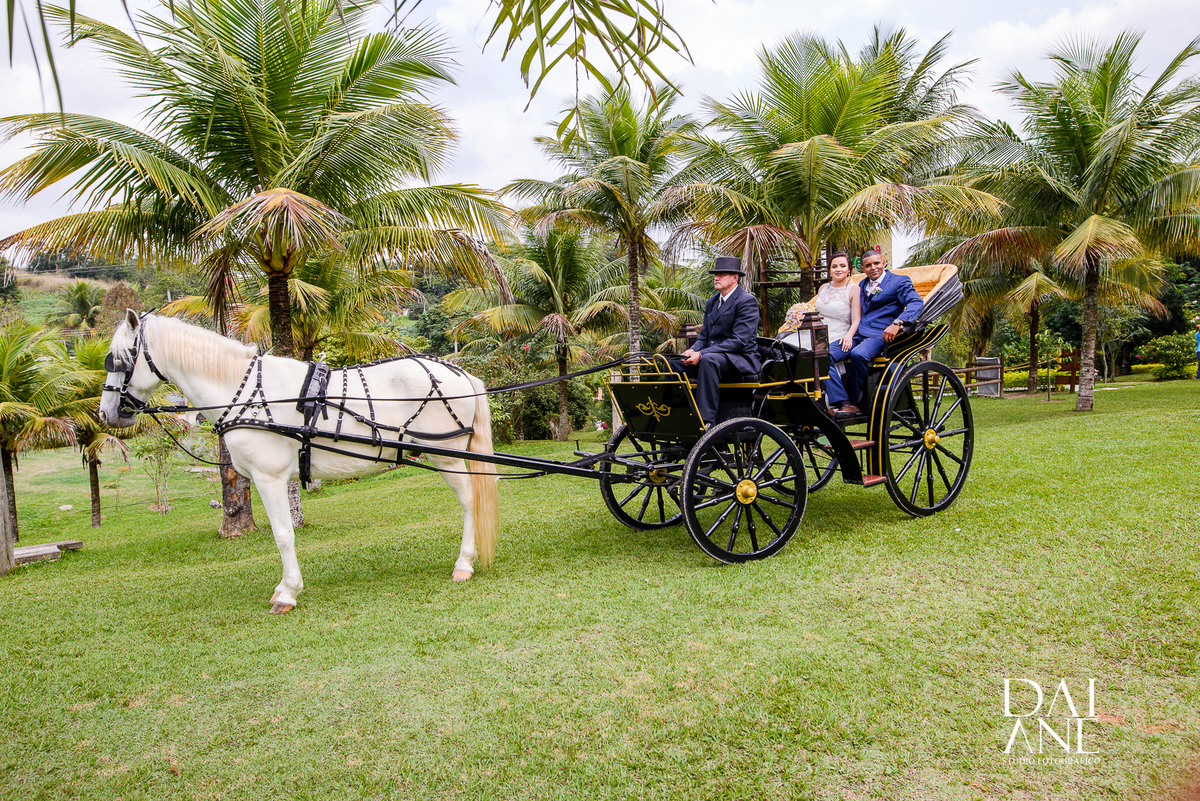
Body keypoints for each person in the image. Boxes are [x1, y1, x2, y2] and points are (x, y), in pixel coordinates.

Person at [825, 248, 923, 416]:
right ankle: (843, 400)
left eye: (877, 263)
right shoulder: (862, 285)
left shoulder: (899, 281)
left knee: (858, 355)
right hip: (858, 334)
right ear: (862, 268)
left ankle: (853, 403)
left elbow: (916, 302)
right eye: (868, 265)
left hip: (880, 334)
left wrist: (898, 322)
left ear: (883, 263)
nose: (873, 268)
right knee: (823, 355)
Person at [672, 256, 761, 426]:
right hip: (714, 357)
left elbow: (739, 341)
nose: (716, 278)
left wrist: (701, 353)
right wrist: (693, 350)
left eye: (721, 274)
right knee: (673, 363)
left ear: (735, 278)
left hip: (739, 359)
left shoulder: (746, 301)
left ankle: (706, 421)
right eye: (715, 274)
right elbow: (704, 336)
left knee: (708, 360)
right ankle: (678, 414)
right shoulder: (712, 302)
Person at [780, 251, 861, 409]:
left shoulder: (853, 290)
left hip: (841, 331)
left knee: (821, 355)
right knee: (786, 346)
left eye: (842, 266)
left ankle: (842, 401)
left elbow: (856, 319)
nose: (838, 269)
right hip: (818, 330)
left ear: (849, 269)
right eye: (834, 266)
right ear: (829, 269)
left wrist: (849, 336)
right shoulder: (823, 288)